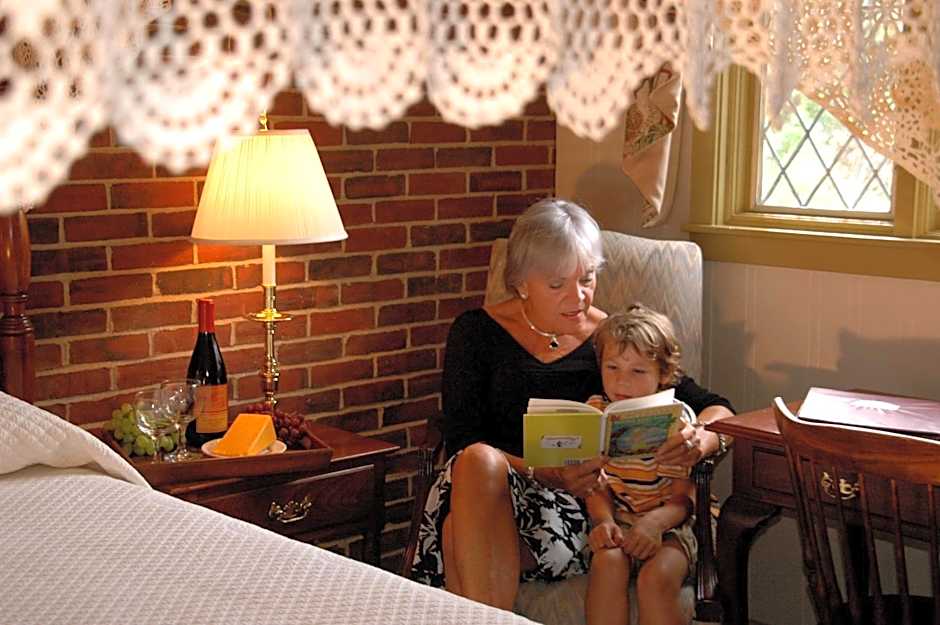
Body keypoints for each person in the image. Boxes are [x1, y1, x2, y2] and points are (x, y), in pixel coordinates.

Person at [410, 198, 734, 612]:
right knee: (477, 460)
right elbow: (460, 439)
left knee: (457, 533)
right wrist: (542, 472)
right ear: (522, 283)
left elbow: (716, 406)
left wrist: (701, 439)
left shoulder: (613, 341)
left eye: (587, 278)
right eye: (557, 284)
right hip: (491, 489)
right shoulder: (475, 332)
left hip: (584, 510)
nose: (578, 296)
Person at [584, 305, 699, 625]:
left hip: (675, 524)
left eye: (637, 371)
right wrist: (603, 520)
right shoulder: (594, 412)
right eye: (612, 367)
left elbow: (684, 498)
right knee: (607, 563)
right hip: (620, 518)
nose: (622, 381)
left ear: (662, 374)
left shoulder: (675, 420)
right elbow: (594, 484)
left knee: (655, 578)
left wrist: (654, 524)